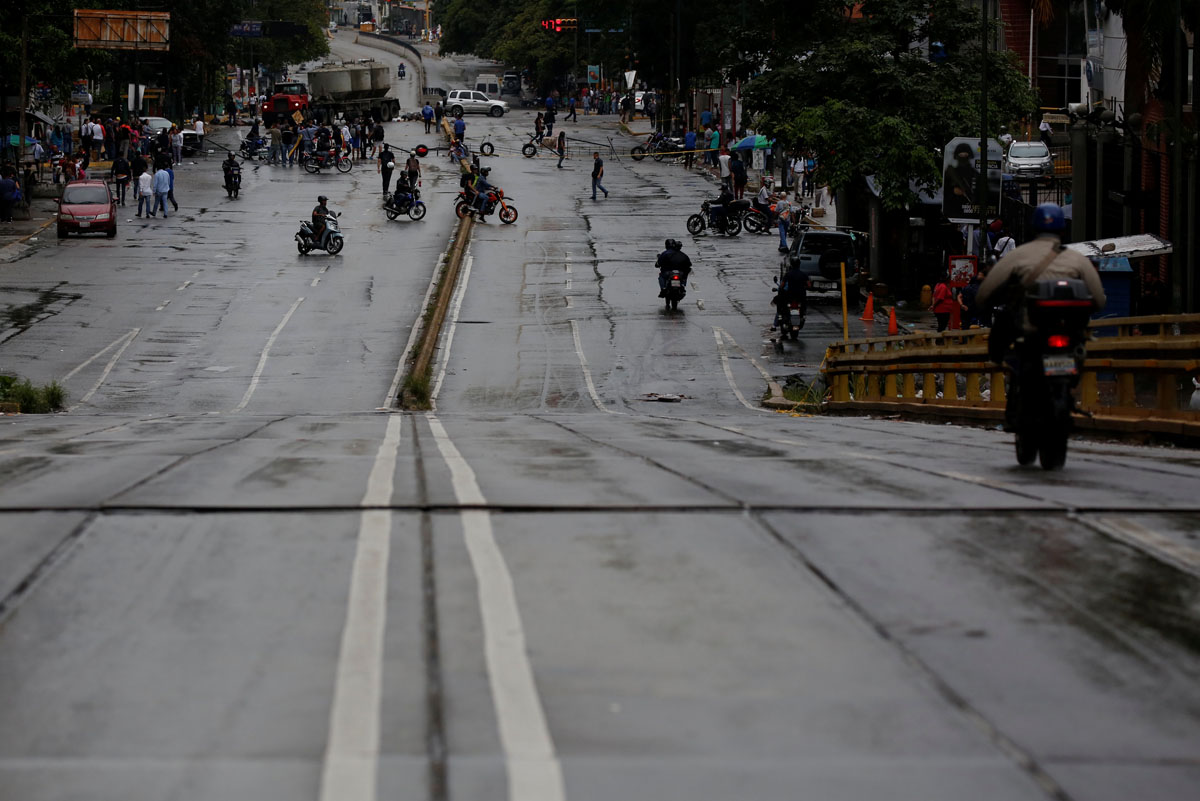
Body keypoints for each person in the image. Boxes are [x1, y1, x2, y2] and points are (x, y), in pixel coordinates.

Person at [977, 203, 1106, 428]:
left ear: (1033, 228)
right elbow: (1100, 299)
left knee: (1007, 335)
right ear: (1062, 231)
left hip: (1030, 333)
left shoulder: (1018, 256)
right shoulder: (1077, 259)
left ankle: (1016, 395)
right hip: (1068, 334)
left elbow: (985, 293)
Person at [942, 141, 978, 219]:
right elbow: (944, 190)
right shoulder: (951, 172)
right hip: (954, 209)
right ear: (956, 156)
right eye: (961, 155)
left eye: (965, 155)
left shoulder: (975, 174)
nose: (963, 157)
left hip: (971, 211)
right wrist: (953, 190)